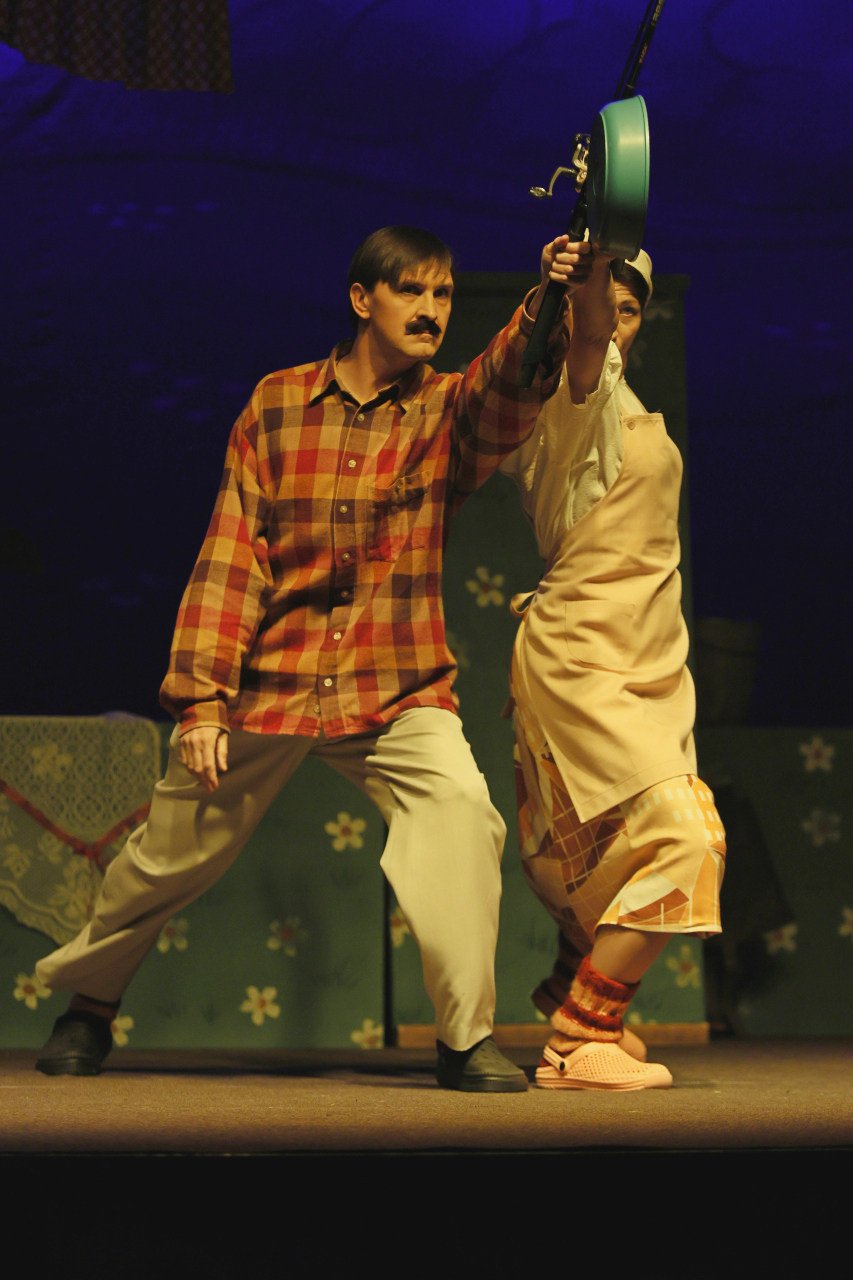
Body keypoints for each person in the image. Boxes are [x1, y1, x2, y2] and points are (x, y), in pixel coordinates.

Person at [35, 225, 594, 1092]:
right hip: (272, 682)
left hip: (394, 684)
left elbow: (511, 386)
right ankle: (88, 1007)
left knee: (458, 813)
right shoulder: (277, 404)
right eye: (412, 291)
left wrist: (549, 296)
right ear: (362, 299)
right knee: (166, 855)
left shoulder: (446, 411)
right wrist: (202, 700)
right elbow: (232, 554)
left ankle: (463, 1039)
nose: (431, 310)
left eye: (443, 295)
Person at [499, 248, 726, 1090]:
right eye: (603, 310)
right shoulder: (571, 397)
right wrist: (586, 260)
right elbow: (587, 337)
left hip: (646, 654)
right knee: (685, 836)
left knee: (609, 841)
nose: (613, 324)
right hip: (585, 655)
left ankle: (572, 986)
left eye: (630, 311)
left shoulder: (630, 406)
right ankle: (578, 1034)